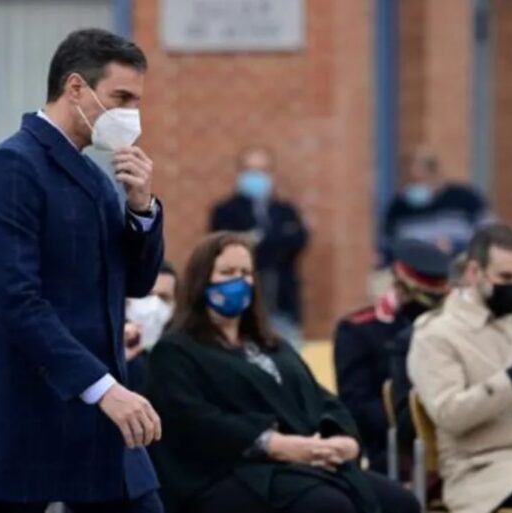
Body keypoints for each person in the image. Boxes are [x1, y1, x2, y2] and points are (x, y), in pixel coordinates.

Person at [0, 29, 164, 512]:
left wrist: (141, 209)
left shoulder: (96, 175)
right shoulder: (13, 165)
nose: (130, 114)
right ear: (76, 87)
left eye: (137, 101)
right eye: (121, 98)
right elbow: (17, 301)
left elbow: (136, 282)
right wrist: (104, 388)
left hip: (99, 419)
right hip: (26, 415)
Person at [145, 231, 420, 513]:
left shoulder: (273, 345)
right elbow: (196, 421)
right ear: (202, 280)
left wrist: (344, 440)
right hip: (233, 471)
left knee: (399, 502)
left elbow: (320, 398)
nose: (239, 281)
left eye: (246, 273)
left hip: (303, 465)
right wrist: (272, 443)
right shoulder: (177, 351)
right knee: (328, 506)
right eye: (227, 272)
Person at [407, 222, 512, 513]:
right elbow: (449, 413)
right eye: (506, 277)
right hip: (482, 474)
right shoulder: (437, 334)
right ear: (474, 272)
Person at [334, 239, 450, 472]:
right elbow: (358, 407)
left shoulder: (452, 325)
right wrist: (419, 422)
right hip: (395, 453)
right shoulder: (359, 330)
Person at [210, 145, 309, 347]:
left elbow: (298, 242)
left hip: (282, 304)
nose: (256, 177)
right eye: (250, 170)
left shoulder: (285, 211)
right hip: (241, 309)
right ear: (240, 173)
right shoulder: (225, 211)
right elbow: (226, 246)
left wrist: (259, 240)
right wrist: (274, 240)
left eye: (261, 170)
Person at [380, 147, 489, 264]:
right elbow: (388, 244)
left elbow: (488, 237)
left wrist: (456, 246)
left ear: (435, 174)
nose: (414, 186)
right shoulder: (399, 206)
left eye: (419, 180)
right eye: (410, 181)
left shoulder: (465, 199)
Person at [125, 261, 178, 393]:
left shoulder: (178, 357)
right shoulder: (104, 348)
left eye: (164, 298)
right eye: (146, 295)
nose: (154, 305)